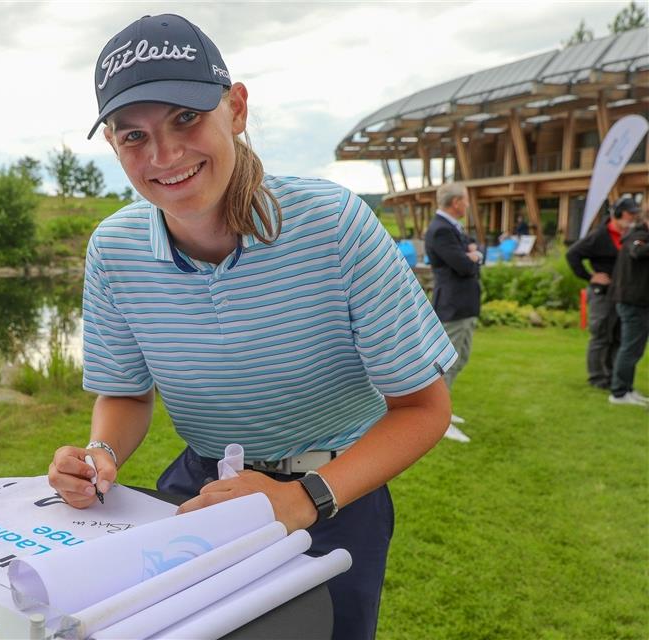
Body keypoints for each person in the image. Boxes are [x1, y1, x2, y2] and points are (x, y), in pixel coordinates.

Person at [47, 14, 457, 639]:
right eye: (134, 136)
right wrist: (100, 455)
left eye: (186, 118)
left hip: (335, 491)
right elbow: (127, 393)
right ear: (112, 143)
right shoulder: (114, 248)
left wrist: (303, 499)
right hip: (201, 488)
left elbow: (423, 409)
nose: (164, 156)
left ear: (235, 109)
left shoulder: (334, 224)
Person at [423, 183, 482, 428]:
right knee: (446, 362)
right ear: (456, 202)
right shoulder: (441, 230)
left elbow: (476, 251)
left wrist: (474, 254)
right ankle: (438, 419)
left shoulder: (452, 228)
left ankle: (443, 412)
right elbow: (464, 265)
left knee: (462, 357)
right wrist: (472, 256)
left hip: (464, 303)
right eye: (466, 200)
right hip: (453, 304)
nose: (468, 204)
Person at [566, 197, 640, 389]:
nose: (633, 217)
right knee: (600, 335)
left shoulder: (631, 235)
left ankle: (613, 376)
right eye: (629, 213)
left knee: (618, 336)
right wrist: (590, 276)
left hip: (621, 293)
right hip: (602, 293)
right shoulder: (599, 236)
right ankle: (597, 378)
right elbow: (572, 254)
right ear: (617, 214)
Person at [608, 198, 649, 406]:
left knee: (635, 348)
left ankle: (627, 388)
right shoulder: (638, 237)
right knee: (630, 348)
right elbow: (637, 251)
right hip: (633, 302)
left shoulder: (639, 235)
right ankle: (618, 392)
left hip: (637, 301)